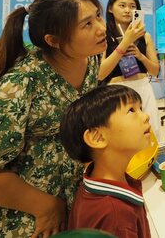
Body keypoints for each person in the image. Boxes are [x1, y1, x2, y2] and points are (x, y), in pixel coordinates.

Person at [0, 0, 107, 238]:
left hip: (69, 200)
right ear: (53, 40)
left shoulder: (90, 59)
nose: (101, 27)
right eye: (87, 24)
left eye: (98, 16)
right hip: (22, 215)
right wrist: (45, 207)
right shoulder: (19, 84)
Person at [59, 84, 152, 238]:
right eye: (131, 110)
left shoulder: (89, 187)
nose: (145, 116)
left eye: (140, 108)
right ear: (97, 137)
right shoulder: (116, 217)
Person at [98, 0, 161, 143]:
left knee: (152, 135)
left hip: (143, 89)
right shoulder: (103, 36)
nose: (127, 10)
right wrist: (123, 45)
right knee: (124, 139)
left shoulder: (145, 36)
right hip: (116, 93)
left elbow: (155, 70)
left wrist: (140, 56)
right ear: (110, 8)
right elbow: (100, 74)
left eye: (132, 6)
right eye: (122, 5)